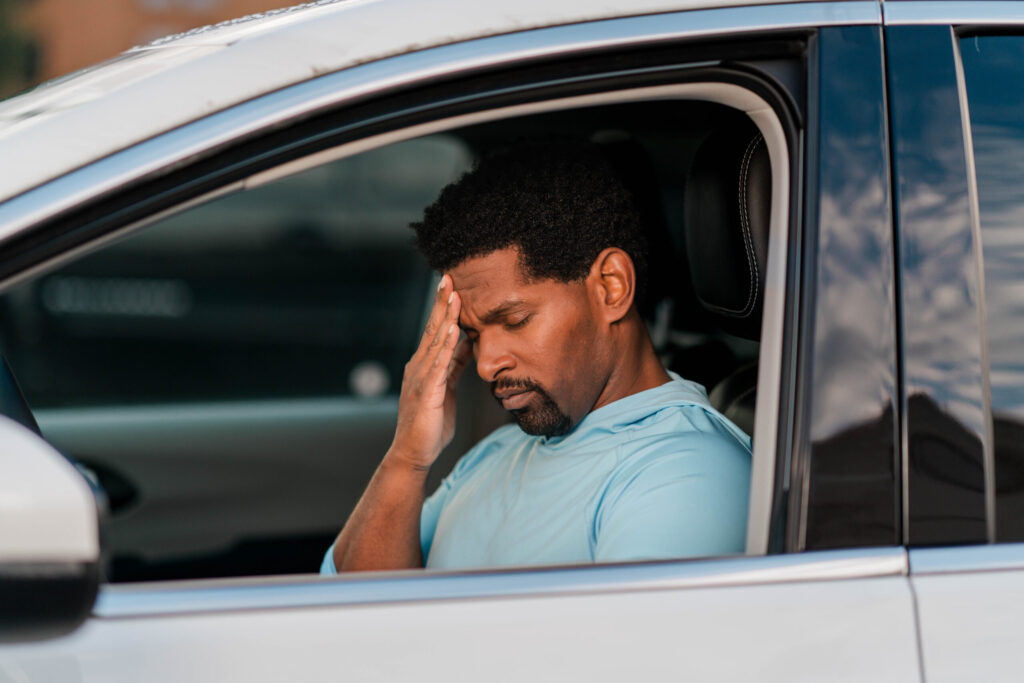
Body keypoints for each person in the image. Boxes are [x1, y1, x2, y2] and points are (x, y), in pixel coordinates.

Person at [321, 142, 751, 573]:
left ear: (611, 287)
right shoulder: (500, 451)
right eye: (471, 334)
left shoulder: (686, 475)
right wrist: (408, 456)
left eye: (515, 320)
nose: (486, 365)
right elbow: (349, 608)